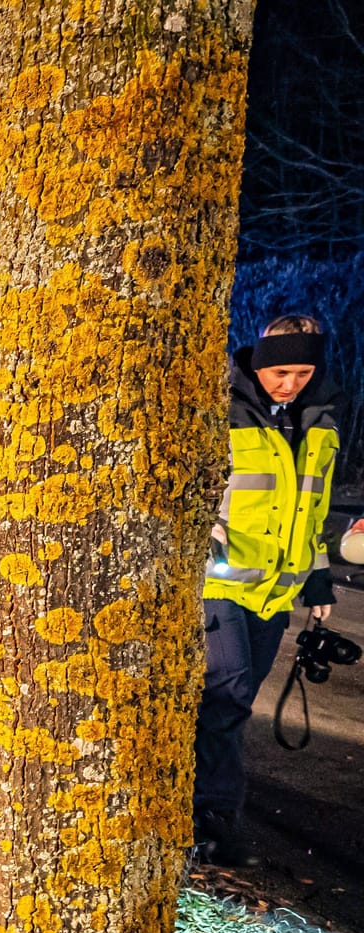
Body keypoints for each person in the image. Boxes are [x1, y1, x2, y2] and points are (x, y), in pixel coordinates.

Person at [193, 314, 342, 866]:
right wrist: (196, 523)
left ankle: (196, 808)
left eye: (303, 372)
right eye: (281, 371)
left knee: (234, 705)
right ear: (258, 364)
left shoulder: (322, 421)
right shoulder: (220, 409)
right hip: (218, 581)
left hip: (276, 592)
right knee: (226, 696)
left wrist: (319, 574)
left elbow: (315, 509)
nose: (291, 383)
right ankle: (212, 822)